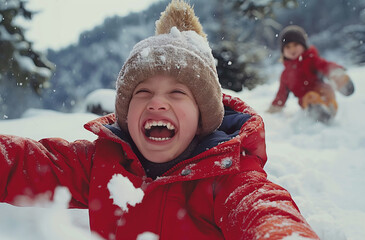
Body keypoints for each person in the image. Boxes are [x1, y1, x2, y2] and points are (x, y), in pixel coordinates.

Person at [0, 1, 320, 239]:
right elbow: (27, 164)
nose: (157, 102)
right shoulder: (101, 164)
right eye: (142, 92)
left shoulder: (227, 175)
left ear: (202, 116)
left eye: (177, 93)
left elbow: (264, 210)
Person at [267, 25, 354, 122]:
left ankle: (334, 97)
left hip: (323, 90)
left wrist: (335, 72)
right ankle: (318, 110)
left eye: (295, 45)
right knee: (310, 97)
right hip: (306, 100)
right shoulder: (285, 75)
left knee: (327, 90)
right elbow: (281, 95)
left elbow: (325, 65)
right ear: (283, 51)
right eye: (287, 47)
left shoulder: (311, 59)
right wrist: (274, 109)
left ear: (303, 46)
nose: (292, 49)